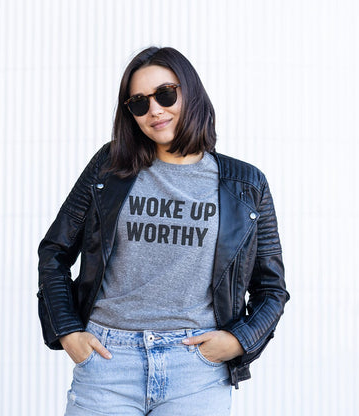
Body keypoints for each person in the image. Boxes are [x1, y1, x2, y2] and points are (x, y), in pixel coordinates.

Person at [37, 46, 289, 416]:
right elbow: (55, 251)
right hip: (108, 362)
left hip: (196, 370)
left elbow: (271, 289)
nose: (154, 110)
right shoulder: (109, 167)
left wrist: (239, 341)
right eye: (139, 103)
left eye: (166, 94)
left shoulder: (246, 184)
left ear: (191, 93)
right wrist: (68, 330)